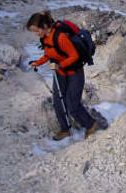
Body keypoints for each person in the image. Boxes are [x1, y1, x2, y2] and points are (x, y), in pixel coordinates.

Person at [27, 11, 99, 140]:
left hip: (74, 72)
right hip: (60, 73)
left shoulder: (60, 37)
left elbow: (74, 56)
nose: (36, 34)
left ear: (44, 26)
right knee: (58, 101)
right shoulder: (44, 37)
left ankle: (91, 125)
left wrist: (60, 65)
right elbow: (49, 54)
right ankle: (65, 129)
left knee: (73, 104)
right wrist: (37, 63)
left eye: (36, 30)